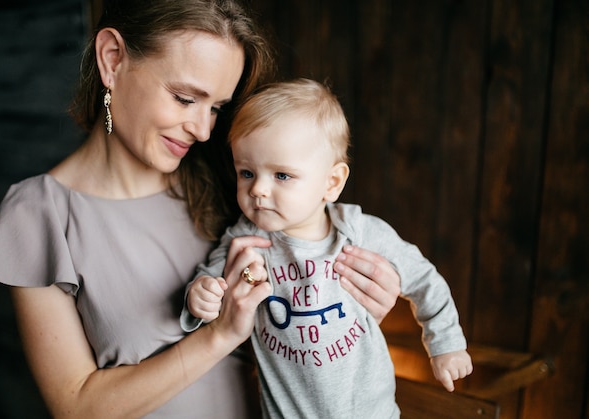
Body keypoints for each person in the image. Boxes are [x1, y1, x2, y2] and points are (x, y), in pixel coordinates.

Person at [0, 2, 401, 418]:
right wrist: (218, 336)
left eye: (216, 107)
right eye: (183, 98)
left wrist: (354, 307)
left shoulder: (238, 183)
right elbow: (77, 407)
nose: (202, 128)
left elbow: (295, 335)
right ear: (113, 59)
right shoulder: (36, 214)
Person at [182, 78, 473, 418]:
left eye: (282, 176)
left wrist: (446, 344)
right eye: (246, 172)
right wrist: (200, 296)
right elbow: (207, 283)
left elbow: (423, 278)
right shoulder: (246, 241)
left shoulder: (358, 231)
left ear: (331, 182)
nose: (258, 189)